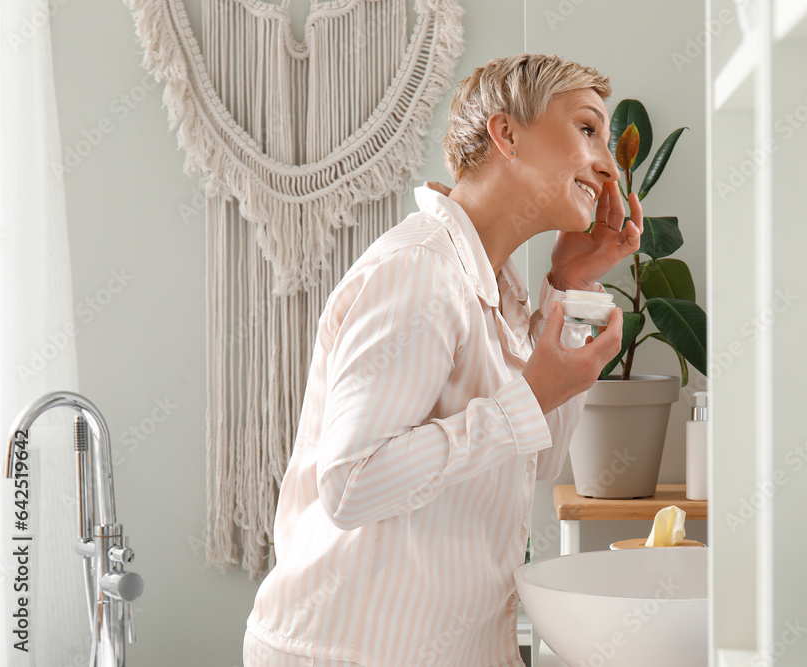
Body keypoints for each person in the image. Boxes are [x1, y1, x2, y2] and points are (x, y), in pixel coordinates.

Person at [243, 52, 643, 667]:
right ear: (506, 133)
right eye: (587, 129)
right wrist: (526, 401)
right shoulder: (421, 270)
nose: (607, 166)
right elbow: (351, 483)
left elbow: (541, 458)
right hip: (350, 649)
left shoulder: (498, 289)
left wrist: (570, 281)